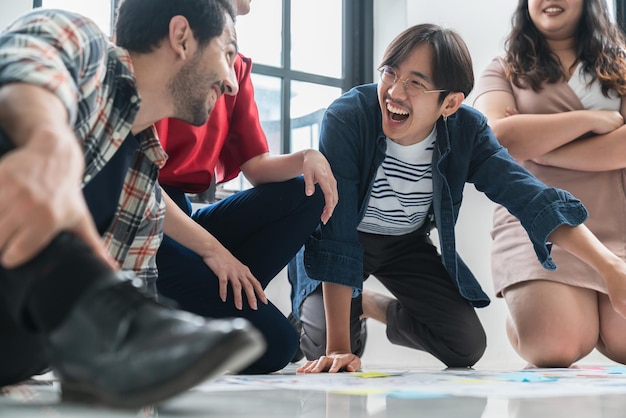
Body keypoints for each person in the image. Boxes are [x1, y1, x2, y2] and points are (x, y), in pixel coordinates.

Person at [288, 22, 626, 373]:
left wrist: (610, 267)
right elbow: (337, 230)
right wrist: (340, 348)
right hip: (342, 238)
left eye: (416, 83)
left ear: (450, 103)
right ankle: (311, 313)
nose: (394, 92)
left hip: (403, 244)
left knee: (466, 346)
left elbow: (531, 198)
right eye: (390, 73)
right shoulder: (348, 117)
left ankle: (367, 305)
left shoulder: (468, 131)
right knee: (326, 347)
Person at [0, 0, 266, 408]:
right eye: (227, 54)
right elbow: (29, 65)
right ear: (181, 37)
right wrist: (47, 142)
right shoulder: (84, 45)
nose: (231, 82)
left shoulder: (145, 188)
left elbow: (132, 331)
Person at [153, 0, 337, 374]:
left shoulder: (231, 68)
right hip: (149, 220)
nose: (229, 81)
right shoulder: (155, 57)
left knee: (308, 193)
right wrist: (215, 252)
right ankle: (185, 315)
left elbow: (256, 166)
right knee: (278, 344)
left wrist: (306, 155)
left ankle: (222, 302)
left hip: (185, 216)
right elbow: (137, 187)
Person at [472, 0, 626, 368]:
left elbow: (623, 148)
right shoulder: (504, 69)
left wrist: (539, 150)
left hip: (615, 220)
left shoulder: (621, 67)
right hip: (538, 224)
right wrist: (593, 119)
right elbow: (498, 139)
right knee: (553, 345)